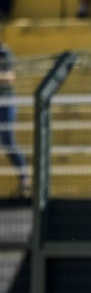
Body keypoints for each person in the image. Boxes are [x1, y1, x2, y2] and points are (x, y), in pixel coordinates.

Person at [0, 41, 29, 197]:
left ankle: (24, 179)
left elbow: (10, 76)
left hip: (5, 103)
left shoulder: (4, 52)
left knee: (8, 141)